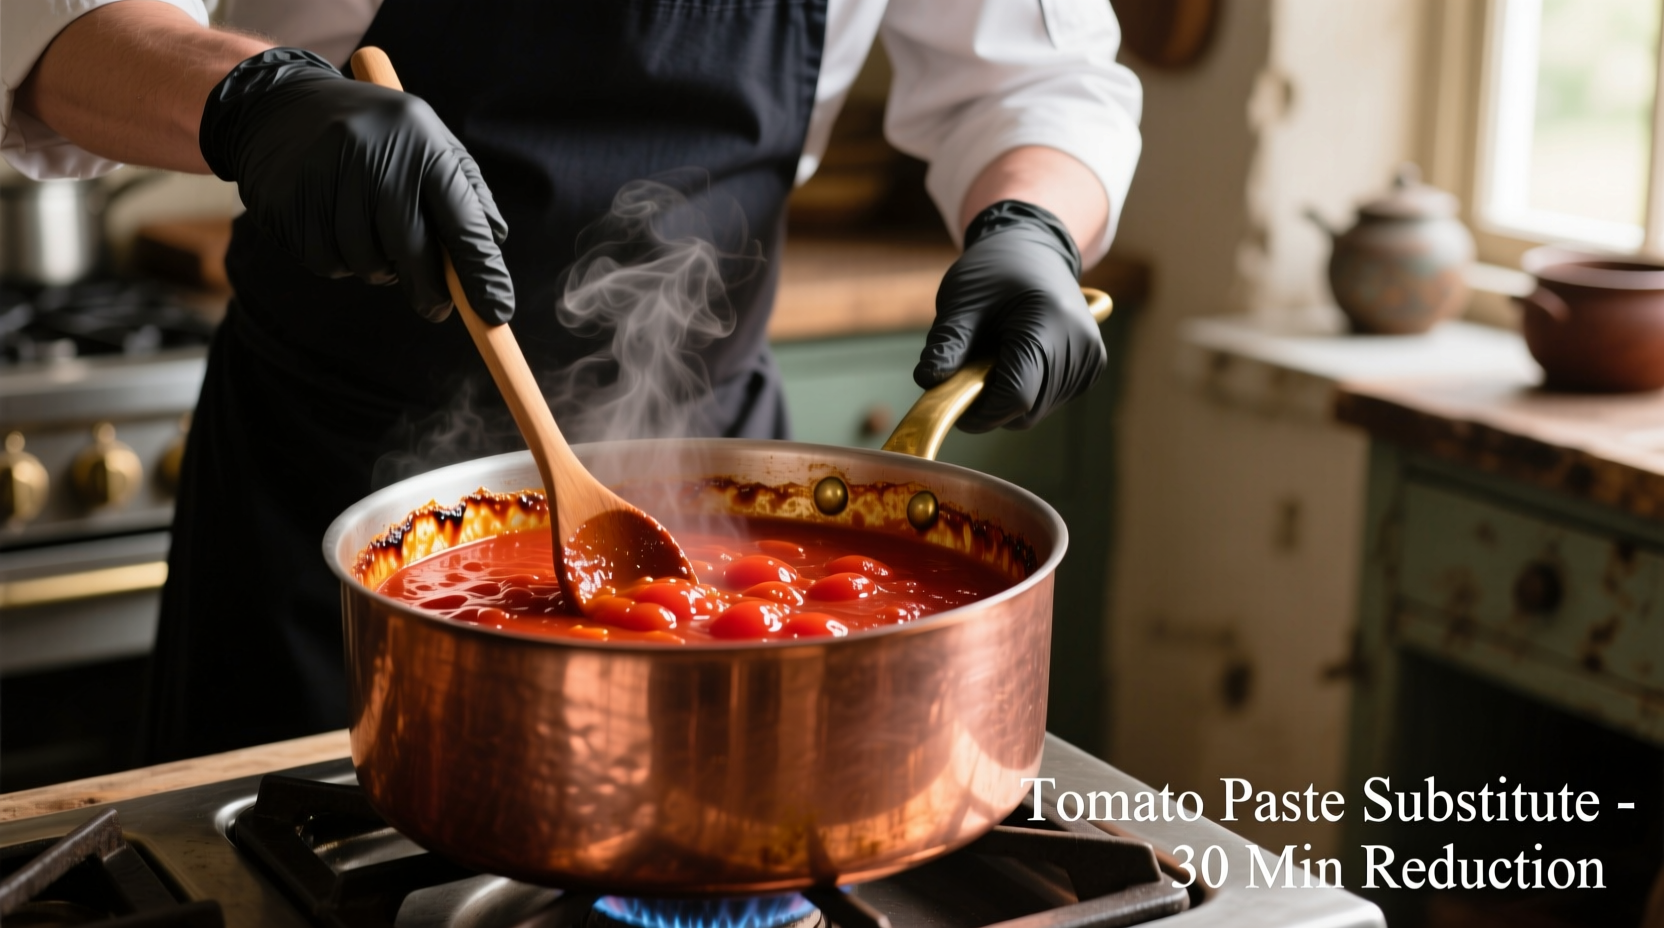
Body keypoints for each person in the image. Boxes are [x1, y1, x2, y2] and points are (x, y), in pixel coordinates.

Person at [3, 0, 1142, 761]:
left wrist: (1031, 224)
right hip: (331, 501)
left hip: (721, 472)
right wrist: (253, 97)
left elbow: (1039, 71)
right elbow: (46, 22)